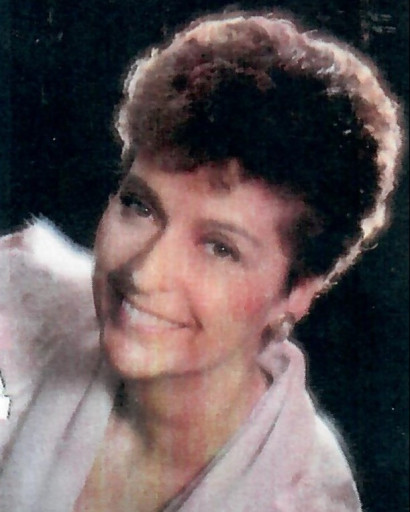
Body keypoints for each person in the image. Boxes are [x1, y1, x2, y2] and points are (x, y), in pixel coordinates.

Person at [0, 9, 403, 512]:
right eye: (140, 206)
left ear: (297, 291)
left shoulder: (305, 502)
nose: (144, 273)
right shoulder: (13, 301)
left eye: (219, 247)